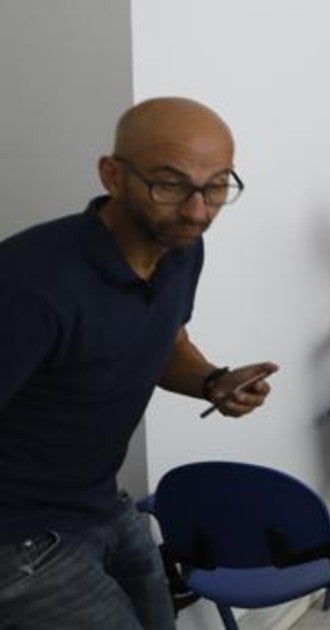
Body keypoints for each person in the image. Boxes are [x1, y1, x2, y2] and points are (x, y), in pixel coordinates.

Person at [0, 97, 278, 628]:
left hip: (100, 501)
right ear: (112, 175)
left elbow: (163, 338)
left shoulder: (182, 249)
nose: (198, 210)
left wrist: (212, 381)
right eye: (169, 185)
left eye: (217, 185)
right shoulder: (28, 284)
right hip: (18, 538)